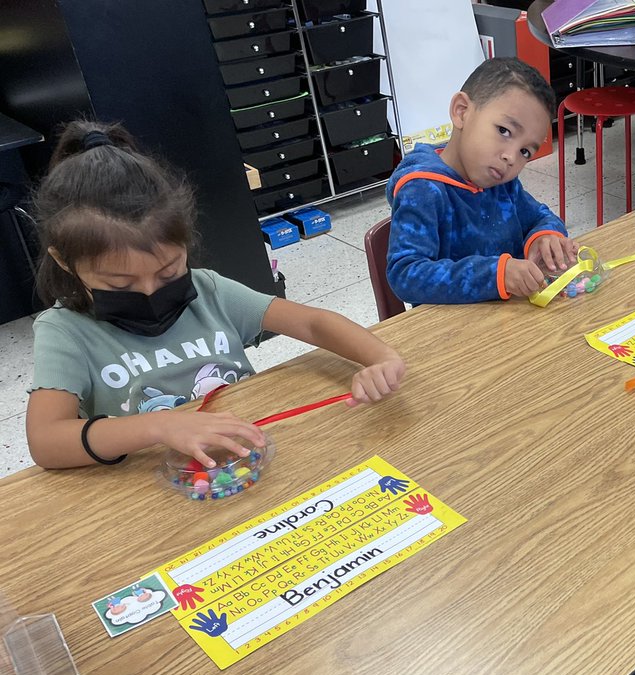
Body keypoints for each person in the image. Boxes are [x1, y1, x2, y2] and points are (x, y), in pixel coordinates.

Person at [27, 120, 407, 470]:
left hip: (245, 461)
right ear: (64, 261)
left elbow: (312, 322)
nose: (148, 291)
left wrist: (380, 358)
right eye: (120, 285)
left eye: (169, 272)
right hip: (157, 489)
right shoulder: (66, 332)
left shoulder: (207, 290)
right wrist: (160, 426)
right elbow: (45, 441)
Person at [385, 57, 577, 305]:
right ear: (461, 111)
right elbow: (406, 274)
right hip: (453, 332)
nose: (511, 157)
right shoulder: (422, 190)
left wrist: (545, 237)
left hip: (509, 320)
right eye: (504, 131)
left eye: (525, 152)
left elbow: (539, 217)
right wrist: (497, 275)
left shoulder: (500, 182)